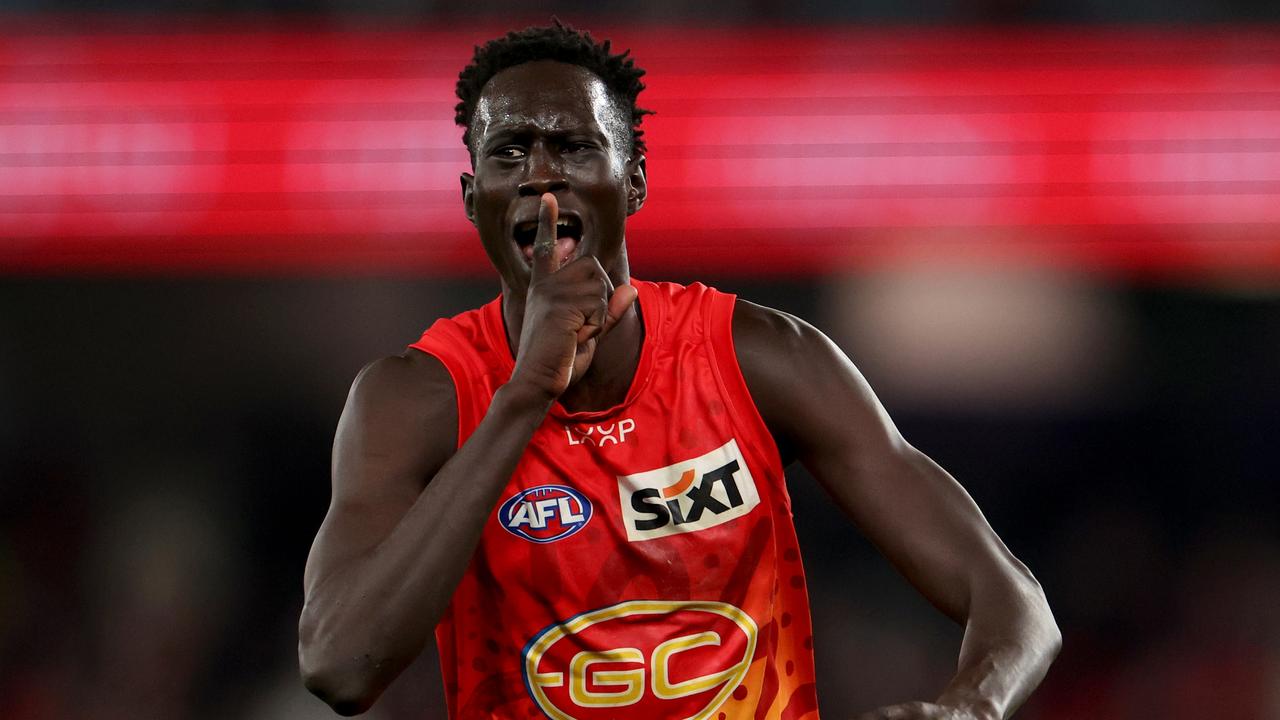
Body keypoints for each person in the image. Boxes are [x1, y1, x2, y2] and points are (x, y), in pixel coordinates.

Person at [298, 22, 1059, 720]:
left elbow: (1015, 604)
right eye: (508, 153)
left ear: (633, 182)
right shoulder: (416, 396)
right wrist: (523, 396)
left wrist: (970, 709)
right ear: (474, 200)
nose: (540, 176)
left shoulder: (761, 358)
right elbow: (339, 664)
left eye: (572, 147)